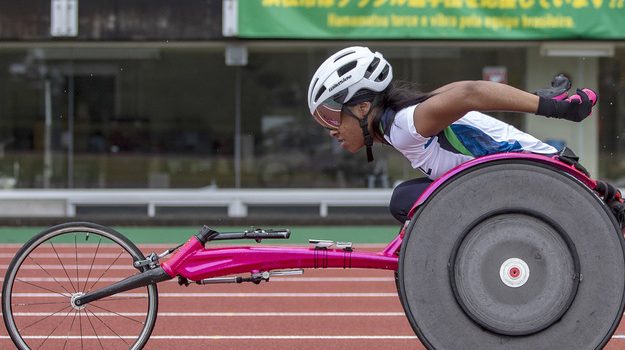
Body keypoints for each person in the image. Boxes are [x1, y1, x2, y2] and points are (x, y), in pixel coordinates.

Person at [307, 46, 597, 224]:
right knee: (408, 196)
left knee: (405, 200)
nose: (331, 128)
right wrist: (538, 96)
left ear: (362, 106)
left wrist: (554, 108)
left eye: (331, 116)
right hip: (524, 178)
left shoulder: (405, 124)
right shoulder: (406, 119)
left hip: (545, 179)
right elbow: (455, 89)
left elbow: (470, 93)